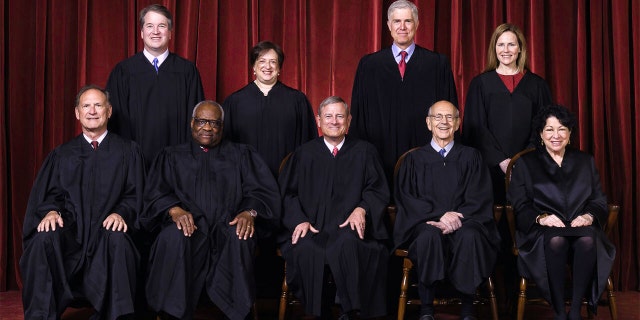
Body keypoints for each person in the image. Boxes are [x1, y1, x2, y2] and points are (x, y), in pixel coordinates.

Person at [139, 101, 281, 320]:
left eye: (214, 123)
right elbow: (154, 193)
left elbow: (262, 192)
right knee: (174, 237)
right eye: (202, 121)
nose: (208, 128)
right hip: (189, 227)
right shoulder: (171, 156)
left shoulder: (242, 155)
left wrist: (249, 213)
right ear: (192, 123)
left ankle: (236, 313)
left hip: (228, 226)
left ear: (222, 127)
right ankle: (170, 313)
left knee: (240, 236)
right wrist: (174, 210)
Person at [20, 85, 144, 320]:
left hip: (106, 233)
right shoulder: (62, 154)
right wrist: (50, 211)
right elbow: (50, 195)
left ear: (109, 111)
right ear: (77, 113)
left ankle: (115, 315)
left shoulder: (128, 152)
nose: (92, 111)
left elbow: (136, 194)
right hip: (72, 233)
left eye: (98, 105)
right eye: (86, 106)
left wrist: (122, 212)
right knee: (44, 237)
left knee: (118, 238)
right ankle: (41, 315)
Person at [278, 96, 390, 319]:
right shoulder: (304, 154)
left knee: (350, 245)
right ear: (319, 121)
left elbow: (377, 189)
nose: (334, 121)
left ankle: (349, 310)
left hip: (351, 228)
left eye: (340, 116)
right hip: (313, 228)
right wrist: (299, 219)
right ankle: (320, 311)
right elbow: (287, 195)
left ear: (349, 120)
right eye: (328, 116)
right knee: (307, 249)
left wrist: (362, 208)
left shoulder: (365, 151)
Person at [394, 100, 500, 320]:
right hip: (425, 223)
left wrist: (455, 218)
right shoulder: (413, 160)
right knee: (428, 236)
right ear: (428, 123)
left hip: (466, 221)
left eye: (450, 117)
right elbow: (407, 199)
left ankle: (468, 309)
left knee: (470, 235)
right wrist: (439, 215)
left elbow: (479, 196)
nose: (444, 122)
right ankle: (426, 309)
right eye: (438, 117)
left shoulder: (472, 157)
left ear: (458, 123)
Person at [507, 105, 614, 320]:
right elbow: (519, 204)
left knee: (587, 241)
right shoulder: (526, 164)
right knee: (557, 241)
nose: (556, 135)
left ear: (570, 133)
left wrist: (589, 216)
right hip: (541, 231)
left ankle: (575, 310)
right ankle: (558, 311)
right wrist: (542, 218)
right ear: (540, 133)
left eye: (562, 129)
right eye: (549, 129)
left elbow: (599, 200)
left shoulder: (585, 161)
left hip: (581, 227)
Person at [350, 0, 458, 187]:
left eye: (408, 21)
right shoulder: (369, 66)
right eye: (397, 21)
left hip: (427, 161)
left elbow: (450, 115)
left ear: (417, 25)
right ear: (388, 25)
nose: (402, 27)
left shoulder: (437, 64)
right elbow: (359, 117)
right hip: (379, 159)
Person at [106, 3, 204, 168]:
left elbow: (197, 119)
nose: (156, 31)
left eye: (162, 26)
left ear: (170, 33)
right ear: (142, 32)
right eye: (150, 26)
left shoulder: (187, 71)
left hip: (179, 163)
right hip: (134, 164)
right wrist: (128, 160)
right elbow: (115, 122)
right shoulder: (123, 71)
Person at [462, 23, 552, 203]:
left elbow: (544, 127)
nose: (506, 50)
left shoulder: (537, 85)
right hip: (488, 169)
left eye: (511, 44)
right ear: (494, 48)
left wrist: (521, 160)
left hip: (528, 166)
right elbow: (476, 127)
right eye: (500, 44)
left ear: (520, 48)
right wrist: (501, 161)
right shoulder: (480, 84)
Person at [223, 40, 317, 177]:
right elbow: (227, 147)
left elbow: (308, 144)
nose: (268, 66)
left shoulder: (297, 100)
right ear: (253, 66)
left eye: (273, 62)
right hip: (247, 182)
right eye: (262, 61)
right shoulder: (235, 102)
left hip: (288, 181)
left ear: (279, 68)